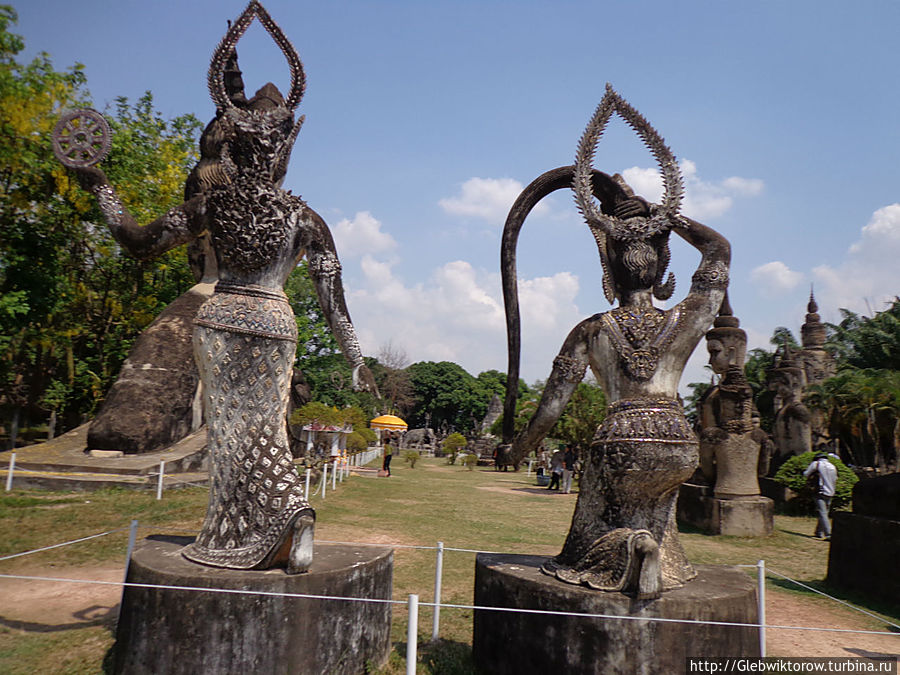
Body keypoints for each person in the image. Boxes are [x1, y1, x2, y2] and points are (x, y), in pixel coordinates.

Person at [53, 4, 376, 573]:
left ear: (237, 148)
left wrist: (99, 181)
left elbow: (134, 240)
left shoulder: (209, 204)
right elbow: (335, 304)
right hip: (276, 324)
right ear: (283, 150)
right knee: (262, 426)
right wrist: (356, 361)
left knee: (233, 435)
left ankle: (279, 514)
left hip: (221, 321)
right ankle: (275, 521)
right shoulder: (305, 217)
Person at [504, 86, 730, 598]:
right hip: (676, 441)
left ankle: (628, 553)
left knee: (590, 534)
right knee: (659, 508)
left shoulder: (590, 329)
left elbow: (551, 409)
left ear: (608, 265)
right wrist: (663, 217)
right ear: (663, 264)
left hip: (619, 442)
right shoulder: (688, 317)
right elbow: (719, 248)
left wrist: (520, 449)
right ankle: (659, 556)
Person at [804, 452, 837, 540]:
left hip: (820, 491)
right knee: (824, 512)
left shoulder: (816, 464)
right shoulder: (832, 466)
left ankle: (828, 534)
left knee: (822, 513)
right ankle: (818, 532)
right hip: (831, 492)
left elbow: (806, 474)